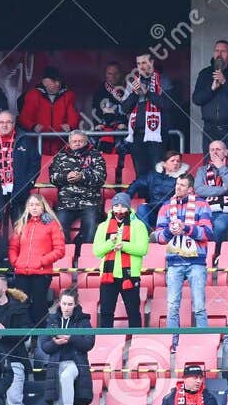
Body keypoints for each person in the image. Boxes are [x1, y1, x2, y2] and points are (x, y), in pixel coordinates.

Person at [154, 172, 214, 349]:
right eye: (177, 184)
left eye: (181, 185)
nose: (177, 187)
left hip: (196, 261)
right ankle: (172, 344)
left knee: (200, 306)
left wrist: (186, 228)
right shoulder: (166, 206)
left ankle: (204, 344)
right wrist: (170, 232)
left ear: (190, 189)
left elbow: (208, 233)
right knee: (172, 306)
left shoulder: (202, 205)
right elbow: (158, 236)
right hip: (174, 262)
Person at [9, 193, 66, 328]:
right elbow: (13, 247)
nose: (34, 208)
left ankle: (39, 340)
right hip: (22, 272)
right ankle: (22, 339)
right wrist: (15, 262)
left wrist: (41, 261)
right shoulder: (22, 224)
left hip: (41, 273)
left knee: (38, 308)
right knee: (21, 307)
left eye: (37, 205)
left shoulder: (52, 225)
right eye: (31, 205)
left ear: (43, 207)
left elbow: (60, 250)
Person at [93, 193, 148, 328]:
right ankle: (107, 342)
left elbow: (143, 250)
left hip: (130, 275)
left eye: (123, 206)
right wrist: (110, 243)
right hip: (108, 276)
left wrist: (124, 246)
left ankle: (135, 341)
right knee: (106, 312)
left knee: (133, 312)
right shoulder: (102, 227)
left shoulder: (139, 225)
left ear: (129, 208)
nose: (119, 209)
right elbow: (97, 252)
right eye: (116, 206)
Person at [39, 290, 93, 405]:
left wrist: (71, 338)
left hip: (75, 363)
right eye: (64, 304)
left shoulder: (83, 320)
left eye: (70, 304)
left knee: (65, 376)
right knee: (56, 395)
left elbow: (89, 343)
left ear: (75, 305)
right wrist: (55, 343)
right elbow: (44, 345)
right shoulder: (51, 320)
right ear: (59, 303)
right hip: (56, 363)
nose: (66, 307)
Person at [191, 41, 228, 161]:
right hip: (210, 128)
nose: (219, 54)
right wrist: (211, 89)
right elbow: (196, 99)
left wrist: (225, 82)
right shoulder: (205, 73)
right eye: (217, 51)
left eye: (223, 51)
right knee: (209, 165)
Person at [120, 53, 176, 178]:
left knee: (158, 172)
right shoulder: (133, 82)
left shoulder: (162, 79)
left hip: (158, 135)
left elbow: (168, 105)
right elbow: (124, 109)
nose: (141, 66)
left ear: (152, 62)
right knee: (141, 174)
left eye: (144, 63)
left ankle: (157, 198)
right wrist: (135, 94)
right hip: (137, 135)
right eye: (139, 64)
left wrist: (148, 93)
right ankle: (143, 198)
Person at [51, 129, 107, 246]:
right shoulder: (60, 156)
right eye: (74, 141)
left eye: (80, 141)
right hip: (66, 203)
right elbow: (52, 178)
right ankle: (65, 255)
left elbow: (101, 179)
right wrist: (66, 177)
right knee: (59, 226)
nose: (77, 143)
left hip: (90, 203)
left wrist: (83, 176)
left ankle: (82, 254)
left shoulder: (95, 155)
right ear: (69, 143)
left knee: (91, 226)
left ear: (86, 142)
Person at [194, 139, 228, 250]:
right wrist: (223, 189)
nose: (214, 152)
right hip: (205, 212)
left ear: (226, 152)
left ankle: (212, 252)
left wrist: (222, 168)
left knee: (219, 225)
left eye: (218, 149)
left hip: (226, 213)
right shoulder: (202, 170)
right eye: (212, 150)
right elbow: (199, 189)